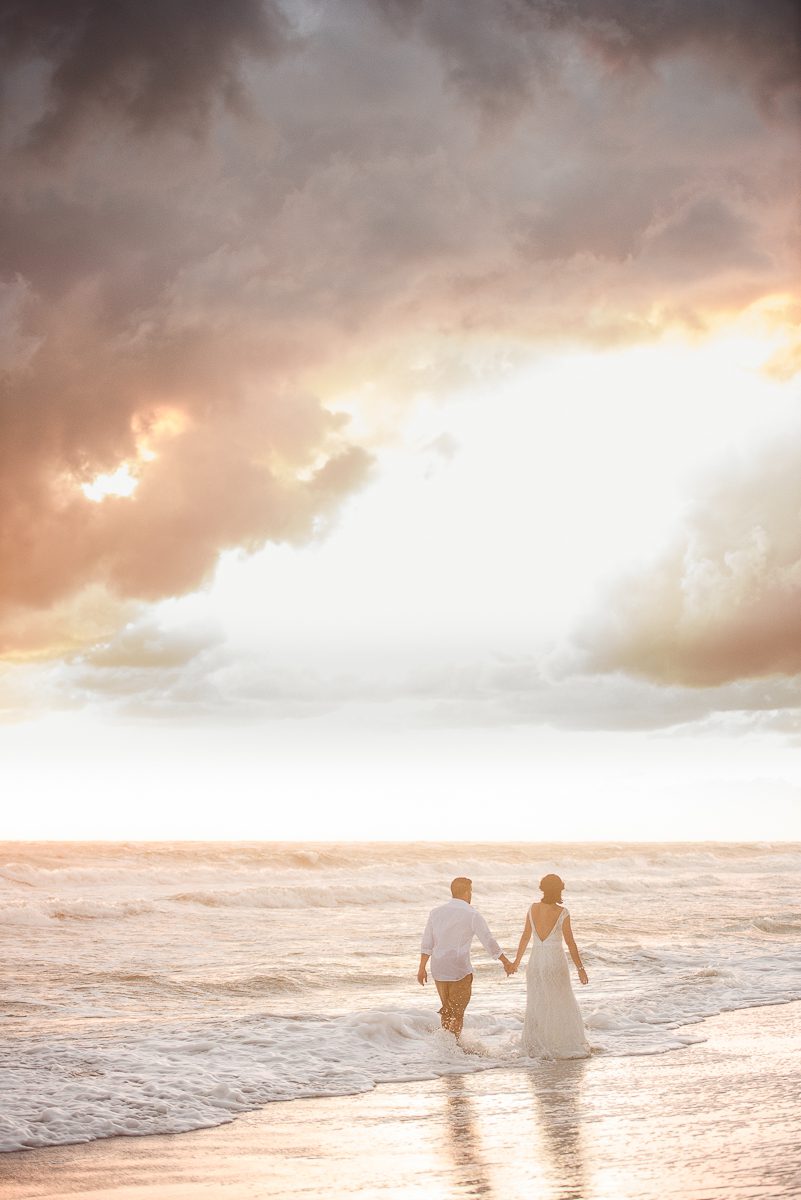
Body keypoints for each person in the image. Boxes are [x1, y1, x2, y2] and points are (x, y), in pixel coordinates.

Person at [418, 877, 515, 1039]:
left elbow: (427, 942)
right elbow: (488, 939)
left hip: (438, 969)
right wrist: (505, 961)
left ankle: (447, 1048)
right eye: (470, 891)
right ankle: (455, 1047)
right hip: (459, 969)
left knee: (447, 1009)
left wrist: (421, 968)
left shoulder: (436, 912)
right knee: (457, 1012)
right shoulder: (471, 913)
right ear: (466, 892)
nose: (471, 895)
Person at [512, 873, 591, 1059]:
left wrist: (516, 962)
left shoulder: (532, 909)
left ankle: (536, 1048)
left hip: (536, 963)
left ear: (542, 888)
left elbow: (524, 937)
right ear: (559, 890)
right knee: (561, 1003)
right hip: (555, 962)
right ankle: (561, 1046)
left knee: (537, 1004)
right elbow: (571, 943)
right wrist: (580, 968)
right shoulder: (562, 912)